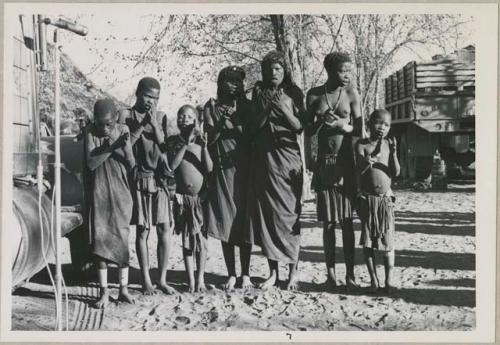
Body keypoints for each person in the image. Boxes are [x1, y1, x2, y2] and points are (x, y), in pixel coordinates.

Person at [245, 50, 305, 291]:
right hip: (265, 161)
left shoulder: (294, 93)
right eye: (269, 69)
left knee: (290, 217)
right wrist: (267, 110)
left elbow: (300, 127)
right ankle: (272, 273)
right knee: (268, 217)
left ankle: (293, 271)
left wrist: (283, 109)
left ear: (284, 70)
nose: (274, 73)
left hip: (288, 161)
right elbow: (252, 128)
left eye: (278, 68)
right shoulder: (258, 93)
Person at [305, 52, 362, 291]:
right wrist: (319, 121)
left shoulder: (351, 94)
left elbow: (360, 129)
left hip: (347, 164)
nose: (347, 75)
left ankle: (350, 274)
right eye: (342, 70)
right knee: (329, 224)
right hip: (325, 165)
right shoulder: (314, 95)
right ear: (329, 70)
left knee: (347, 222)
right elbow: (307, 130)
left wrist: (343, 126)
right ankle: (331, 274)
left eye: (349, 70)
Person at [118, 77, 175, 295]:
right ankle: (146, 280)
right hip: (140, 178)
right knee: (143, 230)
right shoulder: (126, 115)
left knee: (164, 229)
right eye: (148, 96)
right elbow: (126, 146)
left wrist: (154, 125)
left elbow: (166, 149)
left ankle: (162, 279)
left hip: (159, 180)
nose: (152, 101)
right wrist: (142, 125)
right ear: (138, 93)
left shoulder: (161, 117)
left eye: (156, 98)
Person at [203, 66, 253, 290]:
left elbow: (253, 139)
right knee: (226, 221)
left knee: (244, 222)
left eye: (238, 81)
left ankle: (246, 273)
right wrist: (222, 123)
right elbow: (209, 139)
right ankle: (231, 273)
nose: (235, 85)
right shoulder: (211, 107)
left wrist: (237, 120)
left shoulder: (247, 106)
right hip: (222, 170)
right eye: (230, 80)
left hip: (244, 169)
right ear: (221, 82)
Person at [84, 98, 135, 308]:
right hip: (100, 194)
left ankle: (123, 289)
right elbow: (91, 163)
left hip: (122, 194)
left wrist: (120, 149)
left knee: (122, 240)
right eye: (100, 124)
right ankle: (104, 292)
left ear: (116, 118)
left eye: (109, 124)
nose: (104, 128)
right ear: (94, 120)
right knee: (100, 242)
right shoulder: (90, 133)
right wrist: (113, 146)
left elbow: (131, 163)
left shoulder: (124, 129)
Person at [167, 105, 213, 293]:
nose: (184, 119)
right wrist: (185, 144)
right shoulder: (173, 142)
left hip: (200, 199)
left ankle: (200, 277)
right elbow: (172, 165)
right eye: (181, 116)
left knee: (201, 240)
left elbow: (209, 168)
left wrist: (204, 147)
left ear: (195, 120)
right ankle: (191, 280)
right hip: (182, 199)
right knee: (187, 240)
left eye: (188, 116)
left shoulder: (201, 143)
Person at [355, 109, 400, 293]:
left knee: (388, 242)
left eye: (387, 124)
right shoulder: (361, 145)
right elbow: (359, 170)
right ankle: (374, 280)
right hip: (367, 199)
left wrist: (394, 153)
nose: (382, 127)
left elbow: (396, 173)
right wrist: (368, 160)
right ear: (369, 123)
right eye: (378, 122)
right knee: (369, 242)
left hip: (385, 200)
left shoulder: (390, 145)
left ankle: (389, 281)